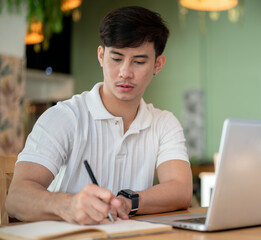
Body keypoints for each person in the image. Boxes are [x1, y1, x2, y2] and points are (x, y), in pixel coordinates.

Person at [6, 6, 193, 225]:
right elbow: (16, 199)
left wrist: (127, 202)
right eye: (116, 58)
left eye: (139, 62)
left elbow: (180, 190)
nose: (125, 72)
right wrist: (69, 205)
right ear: (101, 56)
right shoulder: (64, 117)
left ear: (157, 65)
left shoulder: (164, 123)